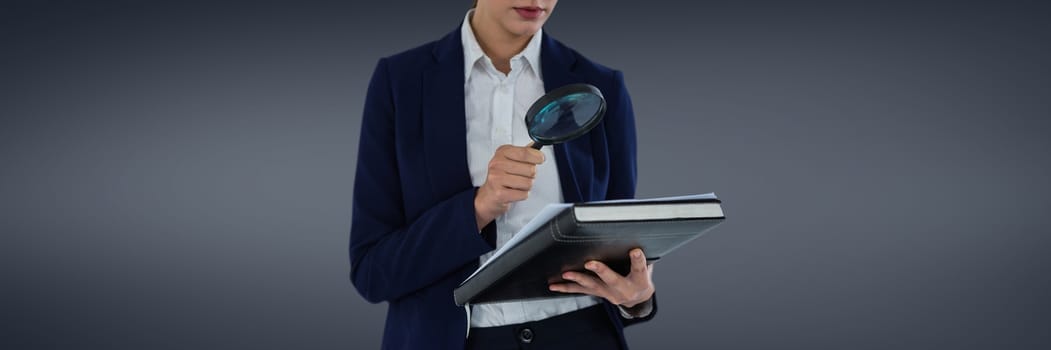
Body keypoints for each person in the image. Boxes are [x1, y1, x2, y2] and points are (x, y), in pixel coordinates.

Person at [350, 1, 657, 349]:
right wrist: (477, 209)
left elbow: (619, 252)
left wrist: (636, 298)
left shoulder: (602, 86)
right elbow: (372, 272)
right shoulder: (400, 83)